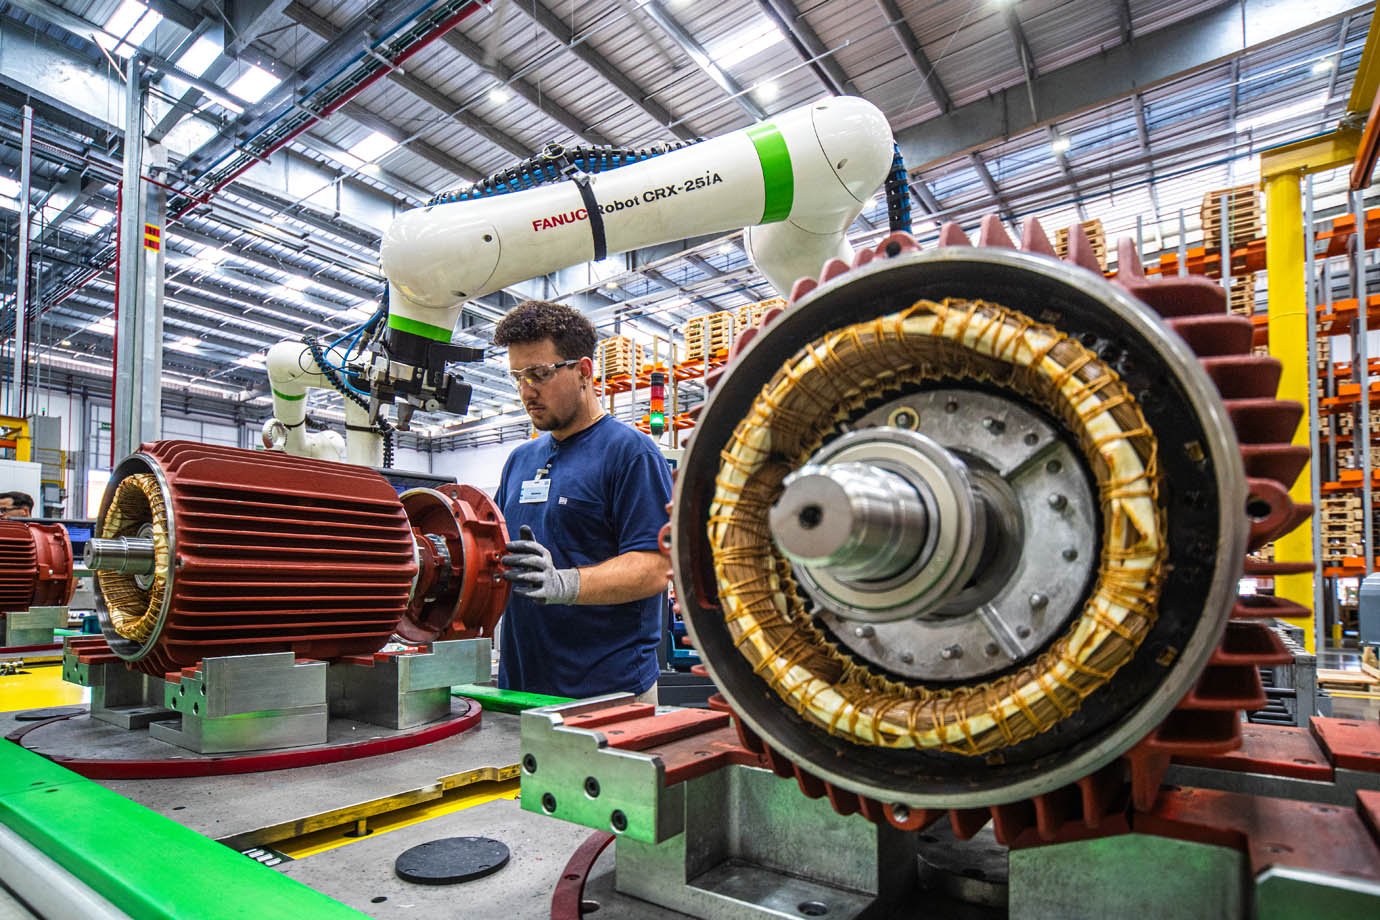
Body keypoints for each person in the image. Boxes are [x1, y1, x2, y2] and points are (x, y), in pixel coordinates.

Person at [493, 299, 673, 703]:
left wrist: (564, 583)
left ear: (584, 371)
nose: (527, 390)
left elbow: (657, 567)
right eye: (517, 377)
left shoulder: (631, 454)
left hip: (609, 693)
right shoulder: (520, 460)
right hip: (521, 690)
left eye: (539, 373)